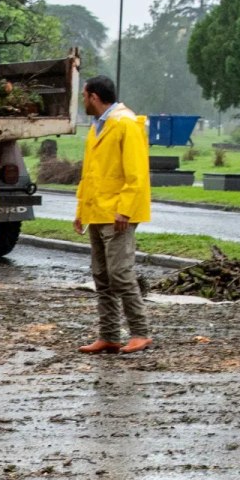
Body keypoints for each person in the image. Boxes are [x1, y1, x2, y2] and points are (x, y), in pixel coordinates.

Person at [72, 75, 151, 354]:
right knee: (101, 275)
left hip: (117, 212)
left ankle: (140, 332)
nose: (82, 101)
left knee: (120, 273)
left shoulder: (125, 123)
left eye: (84, 95)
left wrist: (125, 210)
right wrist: (81, 210)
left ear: (94, 96)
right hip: (98, 211)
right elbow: (90, 174)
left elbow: (136, 172)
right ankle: (109, 335)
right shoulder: (98, 126)